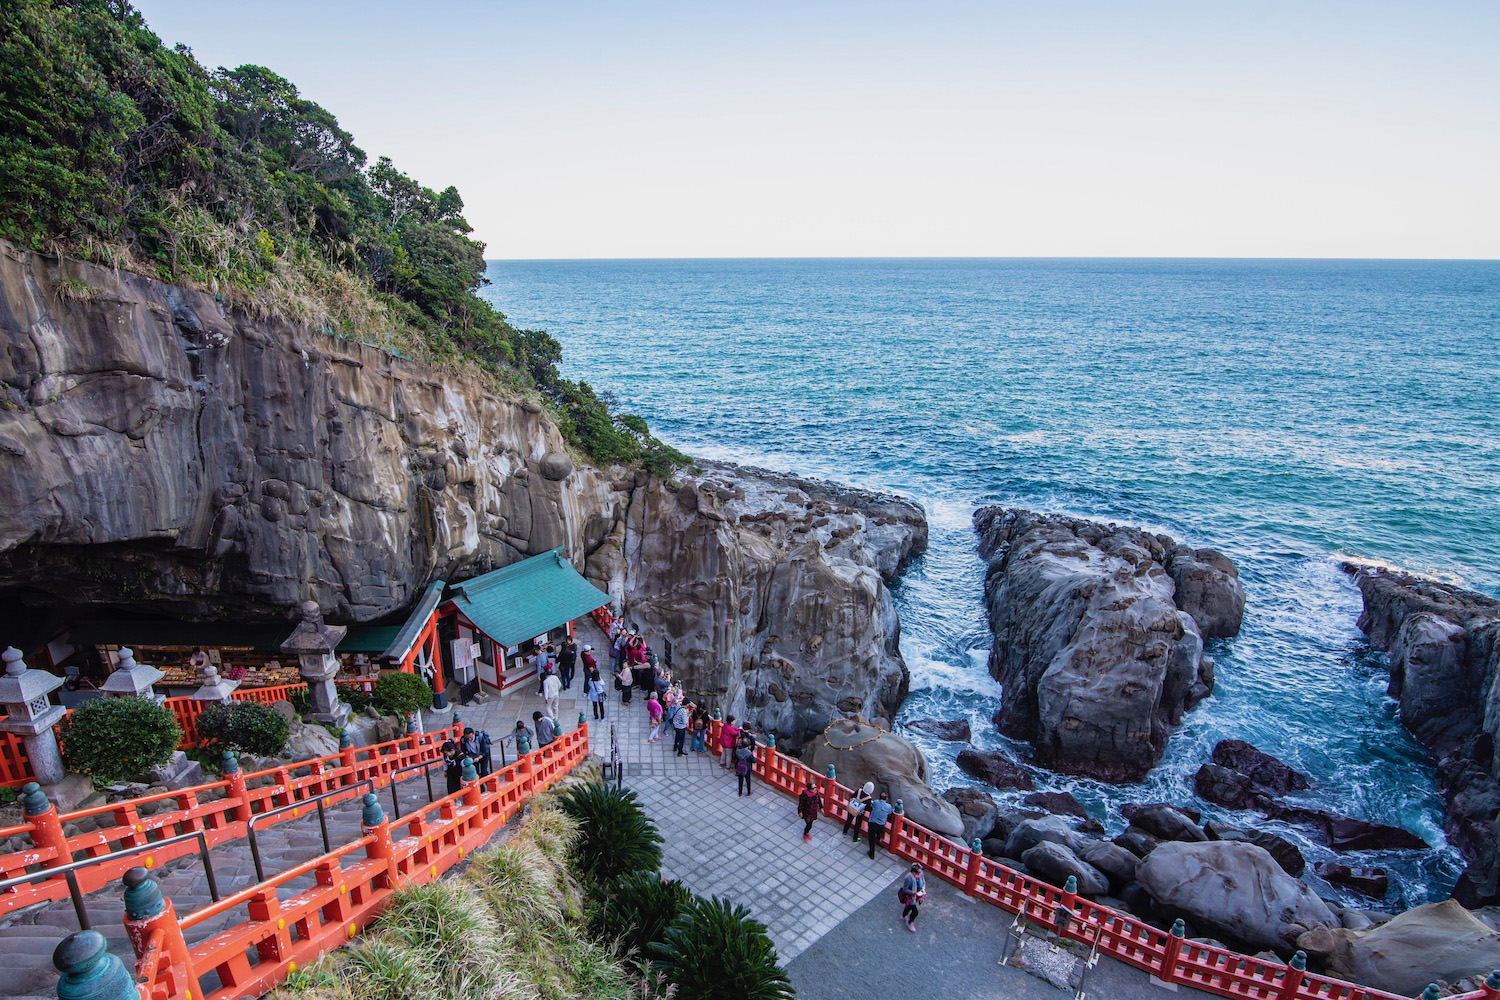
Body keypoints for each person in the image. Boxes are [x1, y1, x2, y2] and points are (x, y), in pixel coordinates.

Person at [865, 792, 894, 859]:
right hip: (880, 824)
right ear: (886, 799)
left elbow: (872, 806)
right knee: (879, 833)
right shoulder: (888, 806)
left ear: (879, 797)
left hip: (872, 822)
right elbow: (890, 812)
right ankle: (878, 839)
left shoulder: (875, 802)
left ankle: (872, 854)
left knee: (871, 838)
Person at [899, 863, 927, 932]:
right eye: (917, 874)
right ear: (913, 872)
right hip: (911, 897)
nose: (919, 875)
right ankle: (909, 922)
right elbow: (905, 889)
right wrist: (913, 892)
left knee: (908, 907)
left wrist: (923, 889)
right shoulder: (908, 878)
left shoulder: (921, 874)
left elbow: (923, 881)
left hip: (918, 894)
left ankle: (903, 916)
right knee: (915, 912)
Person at [733, 729, 756, 796]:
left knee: (740, 780)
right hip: (747, 768)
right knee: (748, 780)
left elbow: (734, 757)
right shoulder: (749, 753)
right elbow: (754, 761)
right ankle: (749, 792)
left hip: (739, 767)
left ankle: (740, 793)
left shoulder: (738, 751)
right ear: (748, 746)